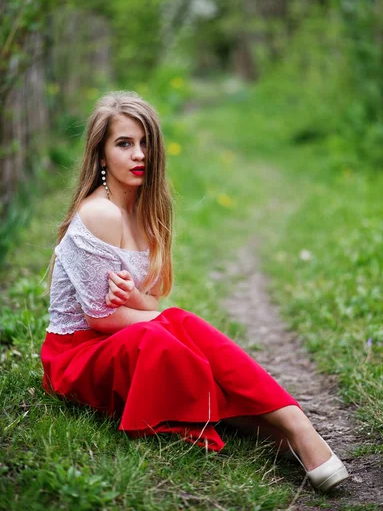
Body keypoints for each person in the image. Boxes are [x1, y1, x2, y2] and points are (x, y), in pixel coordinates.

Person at [40, 91, 349, 493]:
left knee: (169, 335)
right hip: (76, 357)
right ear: (100, 156)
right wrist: (170, 322)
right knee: (173, 329)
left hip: (125, 340)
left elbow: (148, 303)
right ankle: (293, 424)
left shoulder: (144, 214)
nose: (139, 155)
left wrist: (135, 294)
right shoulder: (100, 213)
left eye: (146, 143)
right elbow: (101, 319)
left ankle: (282, 434)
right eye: (124, 144)